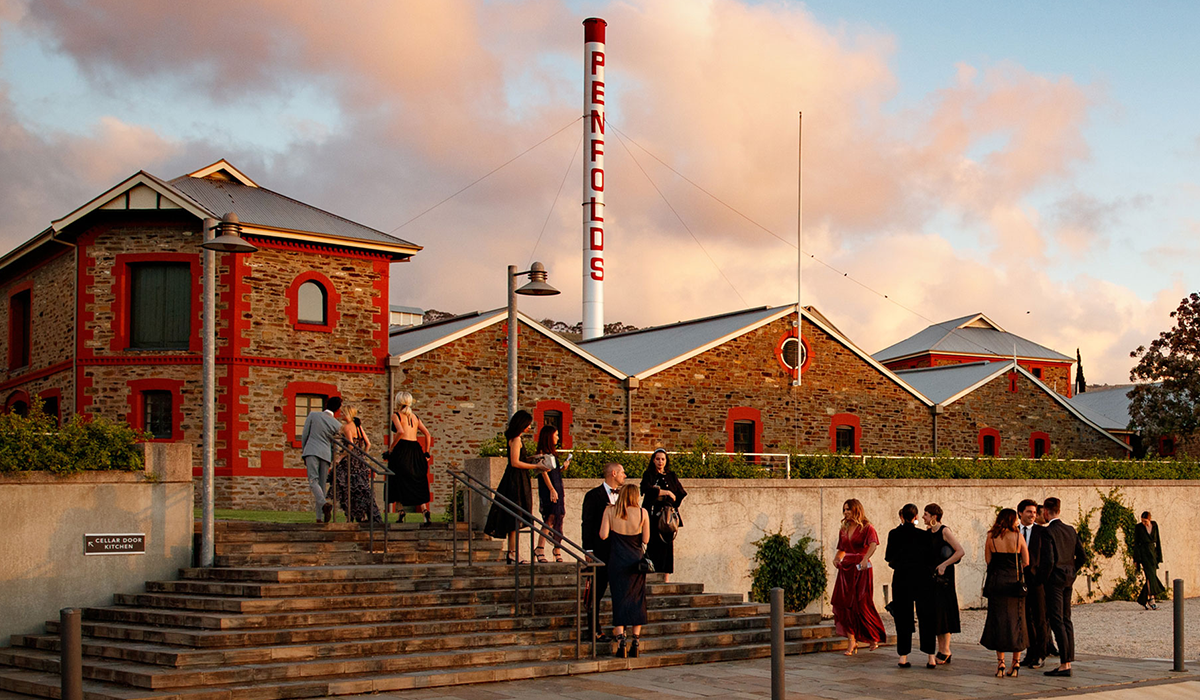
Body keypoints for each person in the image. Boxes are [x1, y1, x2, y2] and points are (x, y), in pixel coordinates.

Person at [483, 410, 549, 562]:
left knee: (516, 515)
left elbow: (520, 458)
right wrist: (536, 467)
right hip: (515, 479)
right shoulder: (516, 439)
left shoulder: (516, 439)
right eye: (528, 424)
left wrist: (533, 459)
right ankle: (512, 551)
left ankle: (513, 551)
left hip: (518, 478)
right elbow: (515, 462)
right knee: (515, 514)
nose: (529, 427)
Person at [600, 482, 650, 658]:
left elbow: (603, 535)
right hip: (636, 561)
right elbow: (646, 539)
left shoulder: (610, 511)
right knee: (637, 599)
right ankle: (636, 640)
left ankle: (621, 639)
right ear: (636, 496)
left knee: (619, 599)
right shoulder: (643, 513)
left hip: (617, 561)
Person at [831, 499, 887, 655]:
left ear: (856, 509)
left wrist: (864, 559)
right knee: (844, 604)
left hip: (861, 567)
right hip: (846, 567)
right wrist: (836, 558)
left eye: (848, 509)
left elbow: (874, 544)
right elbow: (842, 549)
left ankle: (873, 635)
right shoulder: (844, 528)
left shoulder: (867, 528)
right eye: (844, 510)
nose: (846, 512)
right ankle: (851, 641)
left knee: (862, 603)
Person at [1038, 496, 1085, 677]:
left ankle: (1065, 663)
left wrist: (1044, 578)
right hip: (1068, 578)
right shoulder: (1070, 530)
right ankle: (1068, 659)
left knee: (1056, 619)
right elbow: (1082, 556)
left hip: (1054, 580)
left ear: (1046, 512)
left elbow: (1048, 560)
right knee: (1066, 619)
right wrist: (1072, 571)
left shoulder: (1048, 532)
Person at [980, 508, 1029, 677]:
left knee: (998, 621)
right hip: (1014, 584)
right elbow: (1026, 561)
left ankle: (1000, 664)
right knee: (1017, 621)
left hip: (997, 583)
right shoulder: (1018, 537)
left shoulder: (991, 537)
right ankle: (1015, 664)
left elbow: (988, 560)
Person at [581, 462, 626, 642]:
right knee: (596, 593)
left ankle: (620, 631)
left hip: (620, 552)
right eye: (622, 472)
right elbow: (587, 523)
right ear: (613, 473)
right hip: (600, 551)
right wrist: (588, 549)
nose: (625, 475)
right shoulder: (593, 495)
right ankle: (594, 630)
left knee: (620, 592)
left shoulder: (624, 495)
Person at [885, 503, 931, 668]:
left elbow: (888, 556)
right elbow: (929, 558)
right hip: (921, 578)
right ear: (916, 516)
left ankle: (903, 656)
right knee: (925, 615)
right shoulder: (923, 535)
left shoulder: (894, 534)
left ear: (901, 516)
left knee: (903, 617)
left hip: (901, 578)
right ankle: (930, 656)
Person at [923, 503, 964, 667]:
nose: (924, 517)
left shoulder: (945, 531)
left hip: (944, 579)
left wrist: (944, 564)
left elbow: (960, 551)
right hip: (932, 579)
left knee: (944, 612)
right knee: (936, 614)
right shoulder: (927, 533)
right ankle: (941, 649)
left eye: (926, 514)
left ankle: (945, 650)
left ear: (934, 516)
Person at [640, 448, 687, 583]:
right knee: (653, 542)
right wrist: (664, 492)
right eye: (658, 459)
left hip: (667, 515)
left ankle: (665, 578)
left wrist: (672, 503)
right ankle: (651, 573)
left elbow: (680, 493)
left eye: (663, 459)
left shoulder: (671, 475)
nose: (660, 462)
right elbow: (646, 490)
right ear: (653, 460)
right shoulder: (649, 474)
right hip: (654, 514)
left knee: (667, 545)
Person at [387, 392, 434, 523]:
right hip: (416, 450)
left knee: (397, 479)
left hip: (402, 449)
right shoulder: (415, 417)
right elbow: (427, 434)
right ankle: (424, 510)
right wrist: (427, 452)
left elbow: (400, 432)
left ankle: (401, 511)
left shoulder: (396, 416)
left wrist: (391, 447)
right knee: (417, 479)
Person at [332, 406, 382, 523]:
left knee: (347, 488)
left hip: (350, 461)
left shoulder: (347, 427)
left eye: (343, 413)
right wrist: (363, 455)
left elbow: (350, 446)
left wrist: (340, 457)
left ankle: (350, 515)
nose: (341, 414)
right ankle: (360, 515)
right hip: (360, 461)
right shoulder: (358, 427)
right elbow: (367, 443)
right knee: (360, 488)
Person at [1017, 499, 1050, 669]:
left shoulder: (1042, 532)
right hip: (1019, 582)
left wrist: (1041, 579)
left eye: (1035, 512)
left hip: (1037, 582)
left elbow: (1048, 558)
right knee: (1025, 618)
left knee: (1040, 618)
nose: (1033, 515)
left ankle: (1040, 654)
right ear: (1020, 513)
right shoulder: (1014, 532)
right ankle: (1030, 653)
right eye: (1029, 512)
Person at [300, 396, 343, 523]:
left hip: (312, 451)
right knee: (322, 485)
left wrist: (304, 451)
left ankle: (323, 506)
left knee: (313, 481)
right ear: (337, 409)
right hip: (325, 454)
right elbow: (335, 444)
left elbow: (305, 435)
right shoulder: (337, 424)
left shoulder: (313, 415)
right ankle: (320, 517)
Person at [534, 425, 571, 563]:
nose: (558, 438)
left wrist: (563, 468)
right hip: (550, 488)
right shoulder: (542, 453)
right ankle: (540, 548)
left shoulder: (553, 453)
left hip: (557, 486)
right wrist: (551, 489)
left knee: (559, 517)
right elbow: (544, 472)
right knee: (550, 518)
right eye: (556, 435)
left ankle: (557, 549)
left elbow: (553, 471)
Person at [1132, 510, 1165, 610]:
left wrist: (1159, 556)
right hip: (1144, 554)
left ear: (1149, 520)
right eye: (1142, 521)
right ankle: (1151, 598)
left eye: (1145, 521)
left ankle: (1143, 599)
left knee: (1151, 577)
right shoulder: (1138, 527)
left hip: (1153, 554)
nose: (1144, 523)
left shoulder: (1154, 525)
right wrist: (1136, 559)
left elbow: (1158, 540)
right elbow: (1136, 543)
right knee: (1150, 576)